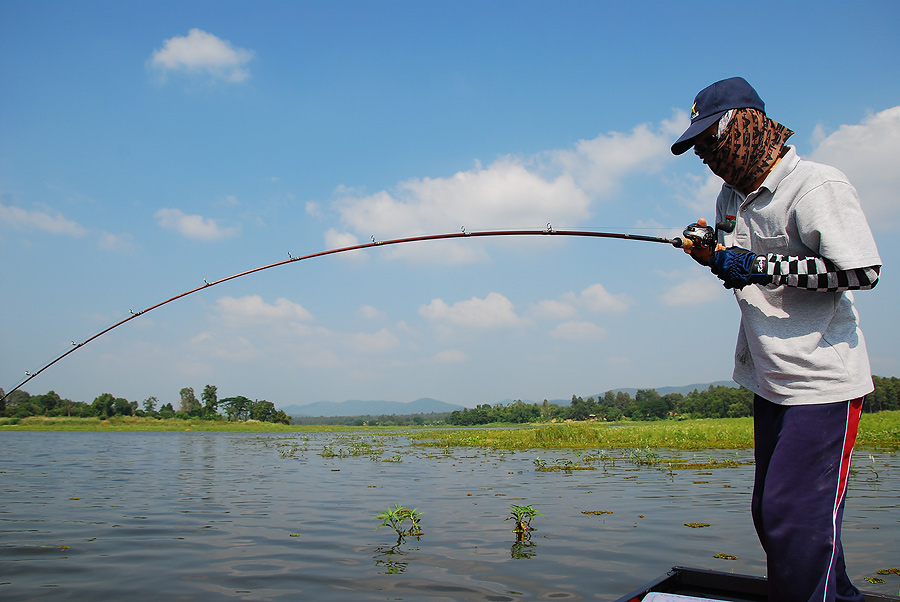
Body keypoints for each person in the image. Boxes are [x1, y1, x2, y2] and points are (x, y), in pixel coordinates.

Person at [670, 77, 882, 602]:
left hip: (821, 381)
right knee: (773, 513)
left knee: (795, 516)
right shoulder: (730, 196)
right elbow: (737, 261)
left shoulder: (816, 185)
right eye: (698, 149)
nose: (707, 157)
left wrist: (755, 264)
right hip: (771, 377)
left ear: (746, 126)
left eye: (710, 142)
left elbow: (860, 271)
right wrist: (713, 249)